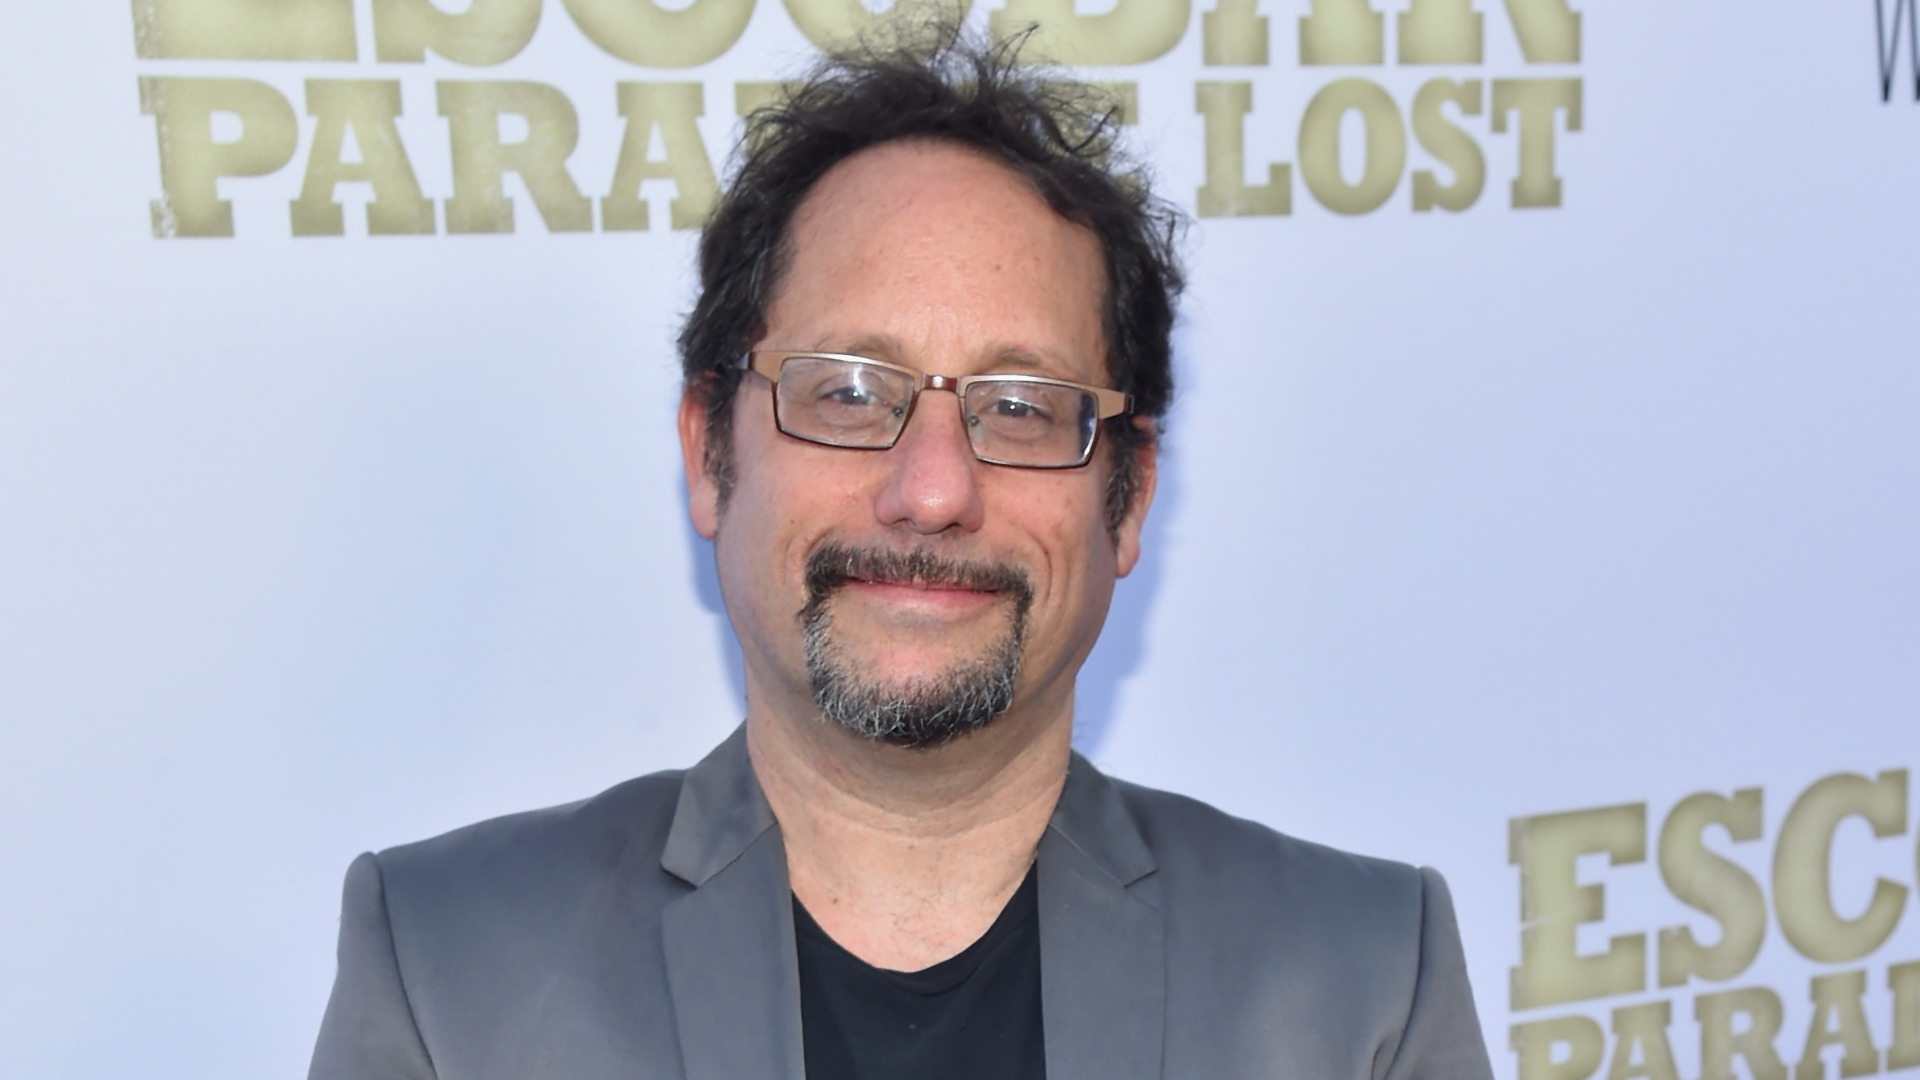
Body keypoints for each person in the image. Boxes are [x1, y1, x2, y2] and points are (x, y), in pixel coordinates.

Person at [308, 30, 1495, 1080]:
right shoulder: (444, 972)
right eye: (846, 393)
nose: (931, 489)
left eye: (1022, 407)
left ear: (1127, 499)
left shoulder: (1368, 983)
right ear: (709, 456)